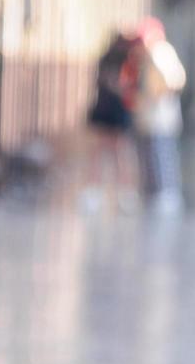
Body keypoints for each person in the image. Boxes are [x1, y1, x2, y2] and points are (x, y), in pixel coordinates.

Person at [80, 27, 140, 213]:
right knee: (113, 152)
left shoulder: (119, 59)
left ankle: (116, 193)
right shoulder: (119, 60)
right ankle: (112, 193)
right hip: (112, 109)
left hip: (109, 109)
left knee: (110, 152)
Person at [132, 16, 187, 215]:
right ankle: (154, 192)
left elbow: (174, 80)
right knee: (151, 155)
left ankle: (166, 192)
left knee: (161, 155)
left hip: (159, 117)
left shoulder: (160, 52)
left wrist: (156, 95)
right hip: (149, 117)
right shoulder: (147, 55)